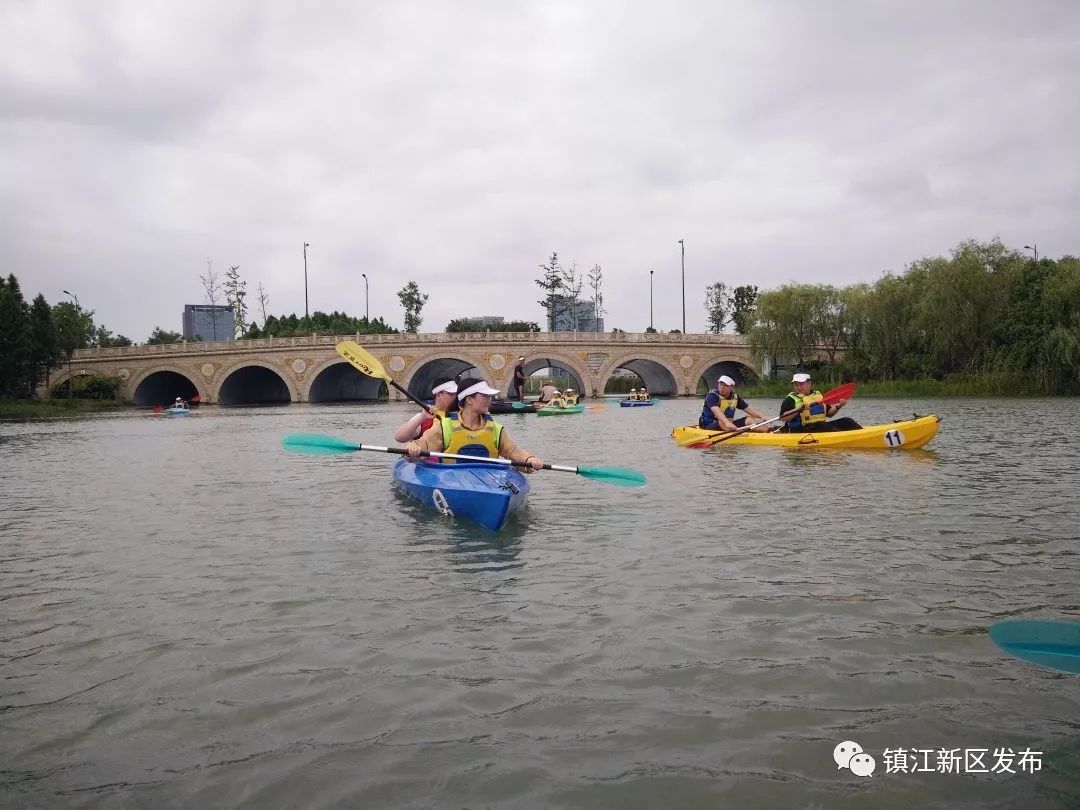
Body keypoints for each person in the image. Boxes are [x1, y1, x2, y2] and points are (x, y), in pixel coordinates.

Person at [405, 377, 544, 472]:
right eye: (485, 397)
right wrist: (412, 448)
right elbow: (420, 447)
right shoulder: (445, 426)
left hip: (489, 480)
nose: (489, 401)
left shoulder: (495, 428)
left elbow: (513, 452)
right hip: (452, 480)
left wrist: (529, 460)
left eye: (489, 397)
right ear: (470, 399)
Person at [778, 372, 861, 432]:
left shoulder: (818, 396)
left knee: (847, 421)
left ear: (809, 383)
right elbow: (783, 418)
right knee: (821, 425)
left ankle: (862, 434)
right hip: (801, 431)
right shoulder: (791, 399)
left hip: (820, 427)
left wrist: (838, 406)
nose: (798, 387)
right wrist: (798, 409)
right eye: (796, 384)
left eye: (801, 384)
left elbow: (829, 414)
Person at [698, 375, 769, 432]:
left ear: (732, 387)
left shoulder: (735, 397)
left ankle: (768, 431)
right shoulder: (712, 396)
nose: (722, 387)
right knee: (723, 423)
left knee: (750, 420)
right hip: (708, 424)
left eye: (726, 385)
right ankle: (742, 432)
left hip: (728, 424)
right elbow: (716, 411)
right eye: (721, 384)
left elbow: (748, 408)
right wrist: (727, 423)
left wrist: (762, 416)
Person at [394, 379, 458, 442]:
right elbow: (399, 437)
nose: (455, 397)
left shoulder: (462, 414)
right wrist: (422, 416)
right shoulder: (425, 417)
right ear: (438, 395)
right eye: (451, 394)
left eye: (456, 394)